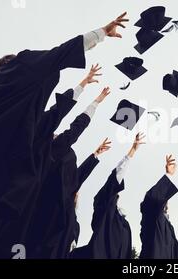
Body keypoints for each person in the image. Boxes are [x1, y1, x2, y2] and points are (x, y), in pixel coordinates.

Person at [0, 12, 129, 258]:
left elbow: (57, 115)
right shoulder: (15, 71)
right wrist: (101, 34)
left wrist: (85, 88)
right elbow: (55, 60)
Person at [25, 86, 112, 259]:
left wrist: (94, 155)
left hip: (52, 216)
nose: (57, 133)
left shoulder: (54, 157)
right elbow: (78, 126)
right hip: (52, 215)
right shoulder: (54, 148)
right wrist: (95, 102)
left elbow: (76, 179)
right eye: (55, 133)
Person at [71, 133, 146, 259]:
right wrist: (131, 152)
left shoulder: (126, 226)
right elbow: (113, 182)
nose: (117, 195)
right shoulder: (105, 209)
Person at [139, 155, 178, 259]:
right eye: (163, 200)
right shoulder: (151, 217)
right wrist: (169, 175)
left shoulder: (168, 226)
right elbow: (151, 201)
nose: (165, 201)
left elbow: (177, 248)